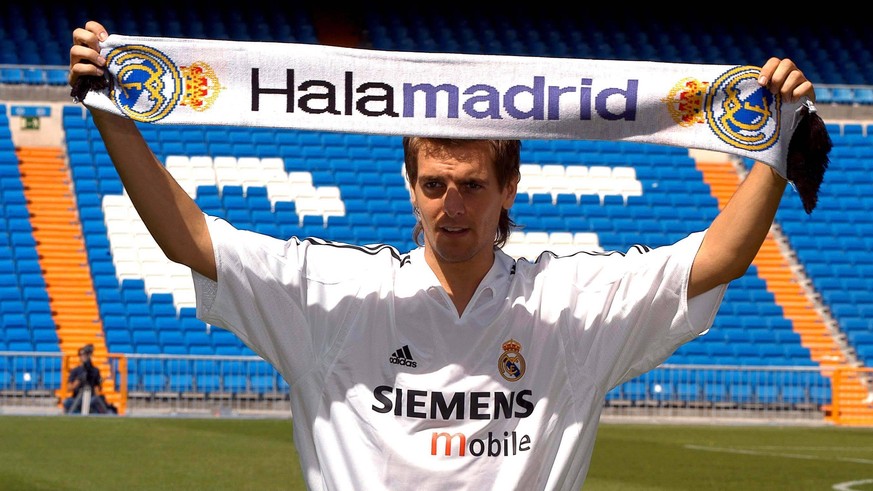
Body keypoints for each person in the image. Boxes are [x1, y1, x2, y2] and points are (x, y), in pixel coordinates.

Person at [70, 20, 816, 490]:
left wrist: (774, 145)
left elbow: (715, 257)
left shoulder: (569, 302)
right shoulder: (333, 292)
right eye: (432, 184)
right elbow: (190, 240)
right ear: (410, 183)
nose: (448, 206)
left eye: (469, 185)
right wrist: (112, 113)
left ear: (507, 189)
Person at [62, 344, 113, 414]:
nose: (84, 356)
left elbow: (98, 385)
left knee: (97, 401)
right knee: (67, 402)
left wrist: (101, 380)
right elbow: (69, 388)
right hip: (77, 397)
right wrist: (78, 380)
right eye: (82, 354)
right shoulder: (75, 371)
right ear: (79, 356)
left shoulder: (95, 370)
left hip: (91, 398)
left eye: (86, 354)